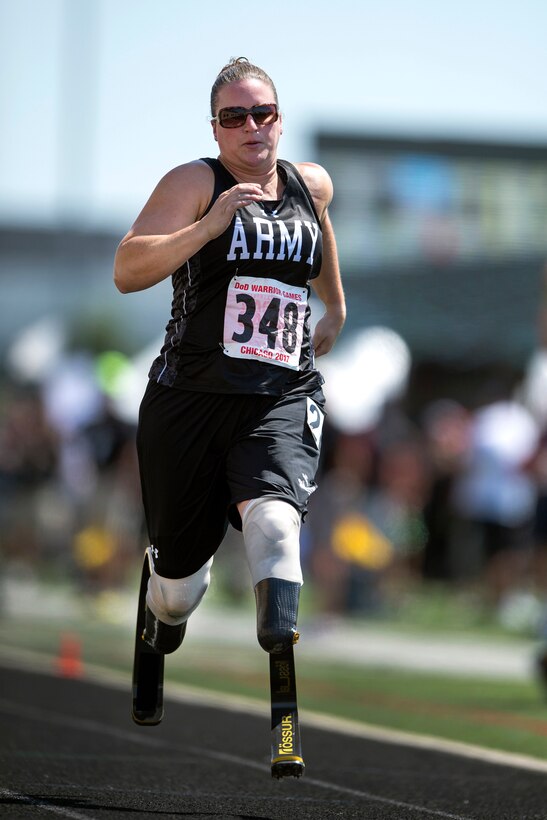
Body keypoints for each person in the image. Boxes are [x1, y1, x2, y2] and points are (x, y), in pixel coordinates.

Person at [113, 58, 345, 660]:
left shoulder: (310, 184)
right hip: (190, 396)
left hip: (280, 393)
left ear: (279, 120)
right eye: (234, 116)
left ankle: (280, 644)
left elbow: (319, 238)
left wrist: (337, 308)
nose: (251, 126)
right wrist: (209, 227)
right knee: (179, 593)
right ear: (215, 129)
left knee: (275, 526)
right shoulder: (194, 182)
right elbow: (127, 268)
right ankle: (162, 603)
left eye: (261, 113)